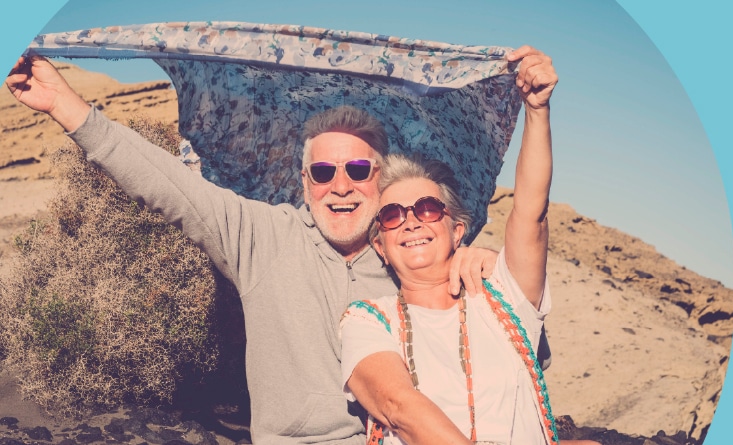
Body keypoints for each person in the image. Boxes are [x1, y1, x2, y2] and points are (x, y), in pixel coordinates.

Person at [5, 56, 499, 444]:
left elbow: (507, 343)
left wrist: (485, 265)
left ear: (380, 180)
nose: (341, 186)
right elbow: (166, 183)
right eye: (324, 172)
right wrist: (65, 105)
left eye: (358, 170)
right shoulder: (262, 238)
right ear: (305, 184)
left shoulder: (408, 255)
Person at [340, 46, 596, 445]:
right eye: (392, 215)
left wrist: (537, 111)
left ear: (457, 230)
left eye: (426, 208)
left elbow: (531, 213)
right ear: (381, 247)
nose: (409, 221)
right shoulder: (368, 320)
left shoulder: (505, 298)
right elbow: (398, 406)